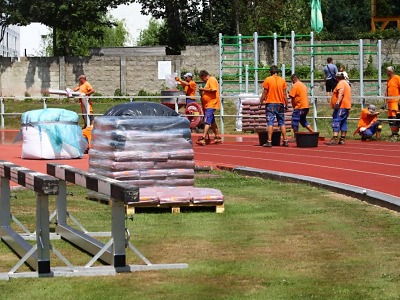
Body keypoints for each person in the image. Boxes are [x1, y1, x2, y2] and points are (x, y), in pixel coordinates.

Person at [259, 65, 289, 147]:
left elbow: (265, 92)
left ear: (270, 72)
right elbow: (284, 94)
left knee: (270, 123)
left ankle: (269, 141)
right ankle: (285, 140)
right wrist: (287, 104)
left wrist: (261, 101)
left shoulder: (268, 79)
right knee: (282, 122)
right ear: (277, 72)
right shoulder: (282, 81)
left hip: (271, 104)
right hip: (280, 104)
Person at [196, 70, 222, 145]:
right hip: (208, 104)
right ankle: (217, 137)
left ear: (204, 76)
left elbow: (214, 90)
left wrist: (203, 89)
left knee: (207, 120)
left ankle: (203, 138)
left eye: (202, 78)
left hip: (211, 104)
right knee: (212, 121)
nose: (202, 80)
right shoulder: (208, 82)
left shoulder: (212, 80)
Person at [327, 72, 352, 145]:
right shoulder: (346, 83)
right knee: (343, 122)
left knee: (336, 120)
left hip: (341, 106)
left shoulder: (341, 84)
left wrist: (337, 102)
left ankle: (335, 138)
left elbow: (341, 93)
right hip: (346, 106)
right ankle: (342, 139)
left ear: (337, 78)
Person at [384, 66, 400, 140]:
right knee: (390, 119)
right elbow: (387, 91)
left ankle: (396, 134)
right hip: (389, 103)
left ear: (391, 71)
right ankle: (393, 133)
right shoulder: (388, 80)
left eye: (387, 71)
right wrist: (385, 101)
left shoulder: (397, 78)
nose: (386, 72)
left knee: (395, 118)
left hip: (395, 102)